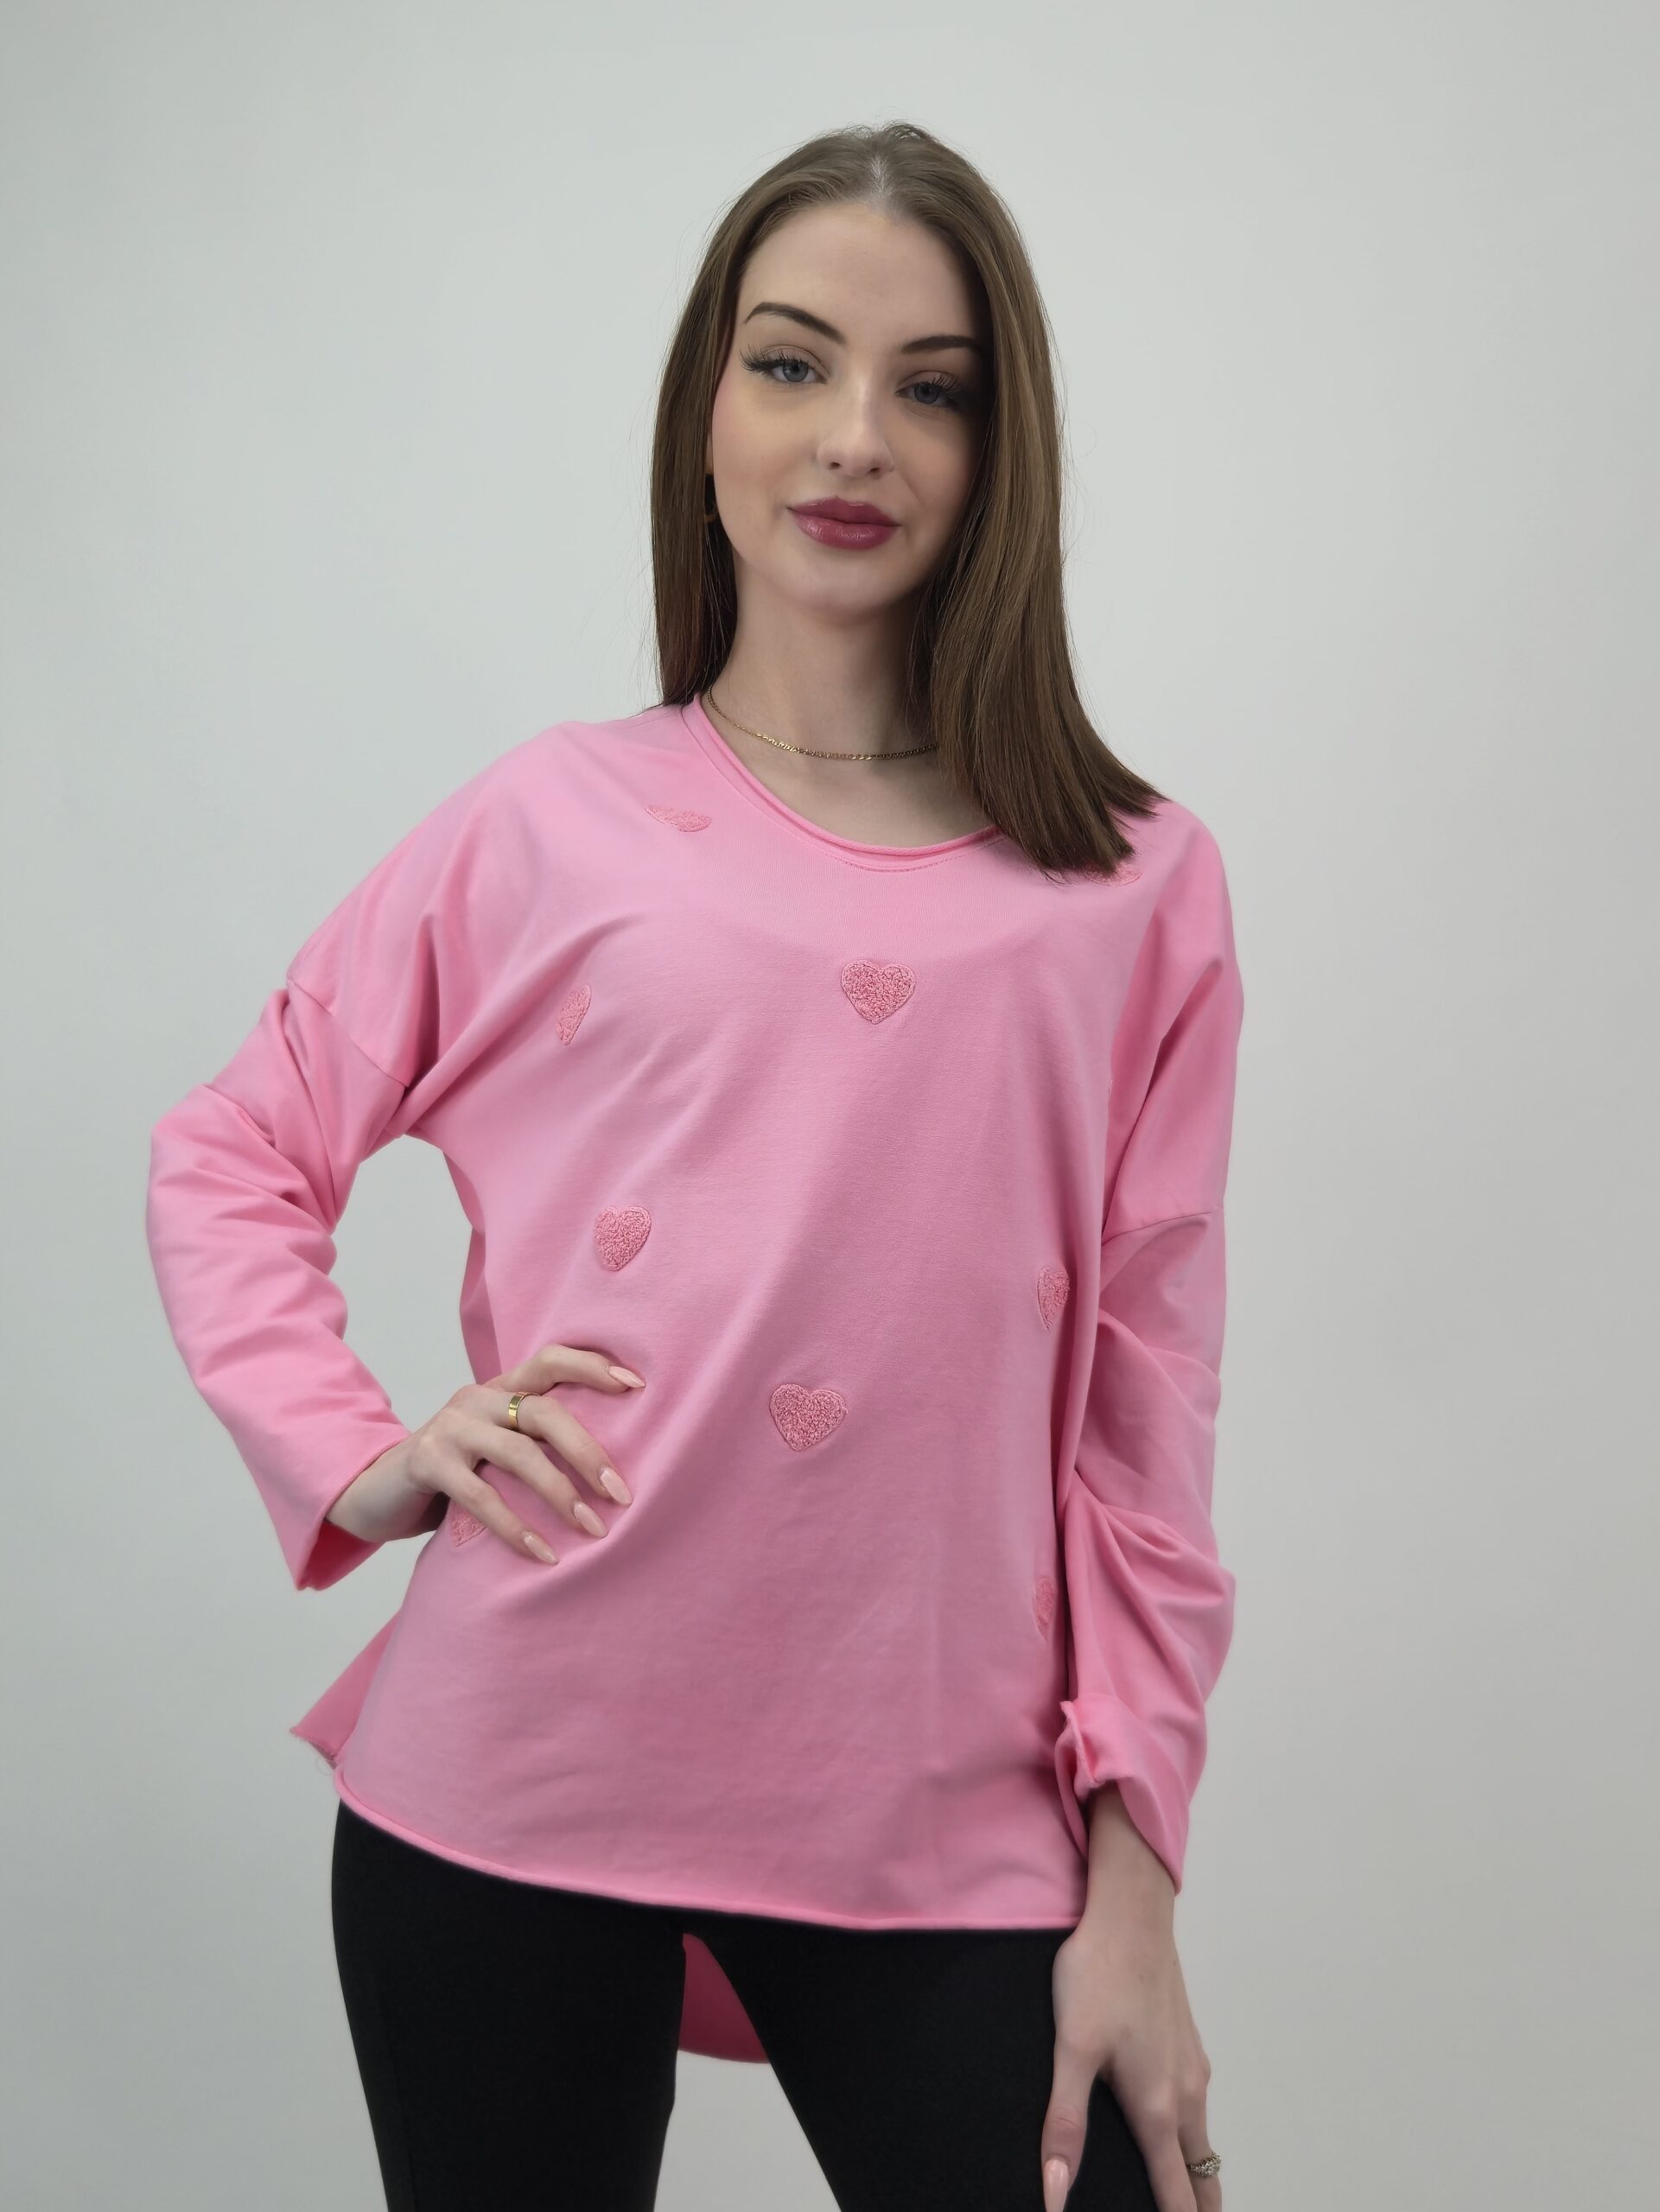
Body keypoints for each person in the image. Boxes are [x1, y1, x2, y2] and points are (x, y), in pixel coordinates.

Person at [145, 119, 1242, 2212]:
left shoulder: (1133, 885)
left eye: (932, 386)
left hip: (948, 1818)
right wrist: (359, 1450)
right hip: (509, 1785)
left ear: (1001, 446)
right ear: (707, 409)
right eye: (791, 362)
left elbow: (1143, 1428)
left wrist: (1136, 1886)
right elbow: (231, 1144)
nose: (854, 437)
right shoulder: (547, 821)